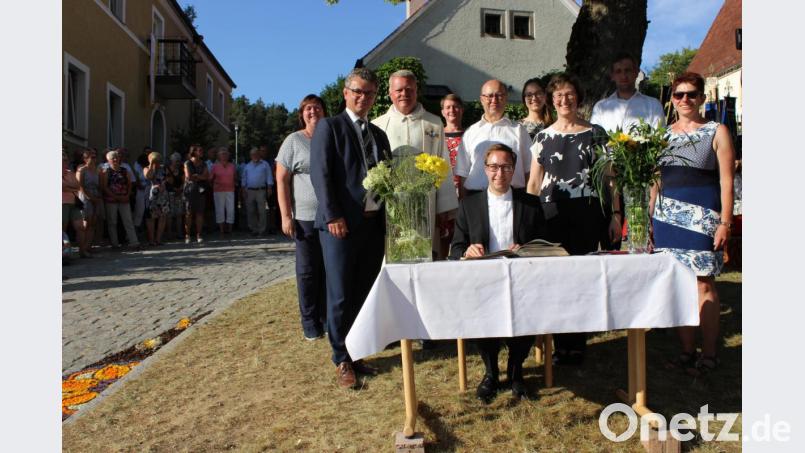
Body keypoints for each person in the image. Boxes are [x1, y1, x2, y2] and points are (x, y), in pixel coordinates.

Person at [526, 73, 620, 365]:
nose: (563, 100)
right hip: (551, 213)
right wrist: (529, 219)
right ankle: (558, 344)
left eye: (569, 94)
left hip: (588, 212)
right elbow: (533, 183)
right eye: (558, 96)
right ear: (551, 101)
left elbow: (611, 178)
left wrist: (616, 214)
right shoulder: (542, 136)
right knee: (555, 280)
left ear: (577, 97)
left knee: (581, 279)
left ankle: (576, 344)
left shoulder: (596, 132)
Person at [310, 67, 392, 389]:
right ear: (346, 93)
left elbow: (386, 178)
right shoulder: (329, 128)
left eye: (369, 93)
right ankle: (341, 358)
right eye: (357, 91)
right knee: (341, 293)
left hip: (373, 225)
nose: (363, 98)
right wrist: (332, 216)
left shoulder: (379, 134)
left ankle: (356, 352)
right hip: (339, 226)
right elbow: (321, 175)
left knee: (363, 292)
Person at [651, 72, 735, 376]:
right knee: (677, 284)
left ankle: (709, 353)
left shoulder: (717, 131)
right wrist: (650, 217)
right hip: (666, 218)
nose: (685, 100)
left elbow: (727, 180)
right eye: (679, 95)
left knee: (703, 283)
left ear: (701, 98)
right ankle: (687, 351)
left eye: (691, 94)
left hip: (703, 218)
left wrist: (725, 221)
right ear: (672, 100)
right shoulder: (661, 134)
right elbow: (656, 179)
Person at [449, 144, 547, 401]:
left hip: (522, 279)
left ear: (514, 170)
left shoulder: (531, 204)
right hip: (483, 281)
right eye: (493, 166)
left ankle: (516, 372)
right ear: (485, 169)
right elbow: (456, 247)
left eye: (505, 167)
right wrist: (467, 251)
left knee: (527, 313)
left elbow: (544, 245)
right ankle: (491, 373)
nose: (499, 173)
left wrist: (525, 249)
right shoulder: (469, 205)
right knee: (480, 315)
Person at [372, 70, 459, 261]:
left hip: (425, 206)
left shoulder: (434, 123)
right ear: (390, 93)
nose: (404, 94)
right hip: (392, 206)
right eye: (399, 90)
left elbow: (442, 162)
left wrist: (444, 208)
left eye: (409, 89)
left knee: (425, 256)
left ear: (416, 90)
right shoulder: (377, 125)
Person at [591, 53, 666, 250]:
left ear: (636, 73)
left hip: (641, 182)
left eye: (627, 70)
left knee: (642, 243)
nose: (623, 75)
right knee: (611, 245)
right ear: (612, 76)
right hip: (610, 184)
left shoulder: (652, 105)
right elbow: (597, 148)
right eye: (618, 71)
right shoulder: (601, 108)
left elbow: (657, 147)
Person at [277, 94, 329, 340]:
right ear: (302, 113)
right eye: (308, 108)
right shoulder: (293, 141)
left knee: (329, 269)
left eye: (317, 107)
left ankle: (327, 319)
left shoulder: (330, 138)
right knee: (308, 271)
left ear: (324, 111)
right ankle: (310, 323)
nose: (313, 112)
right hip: (304, 218)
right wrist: (286, 215)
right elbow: (281, 179)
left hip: (330, 216)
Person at [454, 79, 532, 200]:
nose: (494, 100)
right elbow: (462, 174)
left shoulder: (519, 131)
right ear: (482, 99)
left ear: (506, 98)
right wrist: (463, 206)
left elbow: (529, 170)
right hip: (477, 199)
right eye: (489, 96)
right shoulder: (471, 132)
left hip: (514, 198)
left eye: (499, 95)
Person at [100, 149, 140, 250]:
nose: (115, 159)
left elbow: (129, 184)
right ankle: (115, 244)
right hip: (111, 199)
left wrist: (127, 195)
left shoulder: (124, 170)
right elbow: (104, 187)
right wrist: (115, 196)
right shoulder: (106, 171)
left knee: (128, 220)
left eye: (116, 157)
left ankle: (134, 242)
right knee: (112, 222)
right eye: (112, 158)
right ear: (108, 160)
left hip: (124, 198)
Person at [241, 148, 275, 236]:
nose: (254, 156)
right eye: (252, 154)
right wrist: (243, 190)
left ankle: (262, 230)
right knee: (251, 211)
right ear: (250, 156)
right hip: (250, 191)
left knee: (262, 211)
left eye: (256, 154)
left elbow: (269, 176)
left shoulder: (265, 164)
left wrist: (270, 187)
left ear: (259, 155)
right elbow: (244, 178)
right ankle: (254, 229)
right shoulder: (247, 166)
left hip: (261, 190)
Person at [63, 152, 89, 258]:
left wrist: (67, 186)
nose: (65, 162)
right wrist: (69, 187)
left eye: (66, 159)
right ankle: (63, 254)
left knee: (80, 227)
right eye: (63, 160)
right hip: (62, 204)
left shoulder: (70, 173)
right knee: (62, 230)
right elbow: (62, 188)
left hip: (73, 203)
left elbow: (78, 186)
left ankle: (82, 252)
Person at [77, 148, 103, 251]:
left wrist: (97, 198)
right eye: (91, 157)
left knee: (93, 222)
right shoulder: (82, 170)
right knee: (86, 222)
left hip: (96, 196)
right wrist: (90, 198)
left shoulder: (98, 170)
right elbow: (80, 186)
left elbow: (100, 186)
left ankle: (88, 247)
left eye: (95, 157)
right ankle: (82, 248)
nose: (94, 159)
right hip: (85, 197)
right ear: (85, 159)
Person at [183, 144, 210, 244]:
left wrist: (197, 176)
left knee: (200, 213)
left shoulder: (204, 164)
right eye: (200, 150)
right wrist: (200, 176)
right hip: (190, 191)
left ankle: (199, 234)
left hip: (200, 191)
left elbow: (206, 176)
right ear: (194, 152)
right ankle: (187, 235)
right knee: (189, 213)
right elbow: (188, 177)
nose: (202, 152)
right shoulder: (187, 163)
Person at [441, 94, 465, 199]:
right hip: (442, 188)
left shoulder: (470, 135)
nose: (452, 110)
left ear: (462, 110)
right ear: (442, 112)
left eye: (456, 106)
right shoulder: (437, 135)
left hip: (465, 187)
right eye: (448, 107)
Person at [144, 152, 170, 246]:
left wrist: (163, 184)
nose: (157, 163)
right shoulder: (147, 168)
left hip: (162, 195)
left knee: (162, 216)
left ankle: (158, 239)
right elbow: (148, 176)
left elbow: (168, 178)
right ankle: (151, 240)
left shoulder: (163, 168)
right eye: (156, 160)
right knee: (151, 217)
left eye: (158, 160)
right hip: (151, 195)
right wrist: (151, 164)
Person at [210, 147, 236, 236]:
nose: (224, 156)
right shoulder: (214, 166)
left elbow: (236, 177)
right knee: (219, 210)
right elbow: (210, 178)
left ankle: (230, 230)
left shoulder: (232, 166)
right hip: (218, 191)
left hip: (230, 190)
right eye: (222, 154)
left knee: (230, 209)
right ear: (219, 156)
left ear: (228, 156)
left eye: (226, 154)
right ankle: (221, 230)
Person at [165, 152, 185, 240]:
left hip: (179, 193)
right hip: (170, 193)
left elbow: (184, 180)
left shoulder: (181, 169)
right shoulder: (167, 169)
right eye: (176, 161)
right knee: (169, 214)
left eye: (178, 161)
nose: (177, 163)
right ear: (171, 161)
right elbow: (169, 181)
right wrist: (175, 189)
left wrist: (180, 189)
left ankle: (179, 233)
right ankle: (169, 233)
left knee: (179, 214)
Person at [133, 150, 150, 230]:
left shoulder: (149, 166)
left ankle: (145, 228)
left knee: (148, 210)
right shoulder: (137, 165)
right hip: (140, 191)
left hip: (148, 190)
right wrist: (139, 185)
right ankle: (136, 227)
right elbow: (136, 178)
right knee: (140, 210)